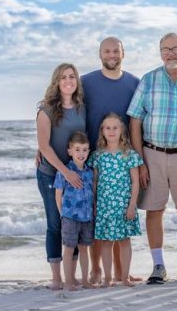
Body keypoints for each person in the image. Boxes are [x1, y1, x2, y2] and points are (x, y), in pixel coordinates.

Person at [127, 32, 177, 285]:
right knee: (153, 209)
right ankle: (158, 266)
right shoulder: (149, 80)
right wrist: (139, 161)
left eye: (175, 48)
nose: (170, 53)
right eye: (165, 49)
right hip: (153, 154)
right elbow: (135, 120)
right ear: (160, 53)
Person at [82, 37, 141, 285]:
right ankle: (97, 270)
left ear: (123, 53)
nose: (112, 54)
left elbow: (139, 121)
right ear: (100, 54)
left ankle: (121, 273)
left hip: (123, 155)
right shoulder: (86, 81)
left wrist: (142, 160)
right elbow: (59, 102)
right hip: (91, 155)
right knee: (100, 225)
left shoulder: (134, 83)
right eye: (107, 51)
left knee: (120, 226)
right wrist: (42, 145)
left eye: (116, 50)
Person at [36, 63, 86, 290]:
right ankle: (56, 277)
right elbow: (44, 146)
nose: (68, 80)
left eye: (72, 77)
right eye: (64, 77)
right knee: (55, 223)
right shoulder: (46, 110)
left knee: (73, 221)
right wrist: (65, 172)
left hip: (76, 176)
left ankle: (71, 276)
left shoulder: (82, 107)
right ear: (56, 81)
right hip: (50, 174)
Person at [90, 113, 142, 288]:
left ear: (122, 130)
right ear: (102, 131)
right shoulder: (98, 156)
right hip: (105, 205)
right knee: (106, 242)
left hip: (123, 205)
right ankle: (107, 278)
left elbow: (135, 182)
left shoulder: (129, 154)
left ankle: (125, 277)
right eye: (107, 128)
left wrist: (132, 205)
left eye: (115, 127)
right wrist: (95, 205)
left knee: (124, 241)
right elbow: (95, 182)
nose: (111, 131)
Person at [53, 132, 96, 291]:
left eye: (85, 150)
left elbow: (93, 193)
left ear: (88, 151)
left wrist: (93, 211)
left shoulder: (90, 172)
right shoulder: (64, 171)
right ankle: (69, 281)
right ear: (70, 151)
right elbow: (58, 194)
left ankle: (85, 280)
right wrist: (62, 213)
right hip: (70, 217)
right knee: (69, 249)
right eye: (77, 149)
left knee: (85, 248)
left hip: (87, 217)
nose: (81, 153)